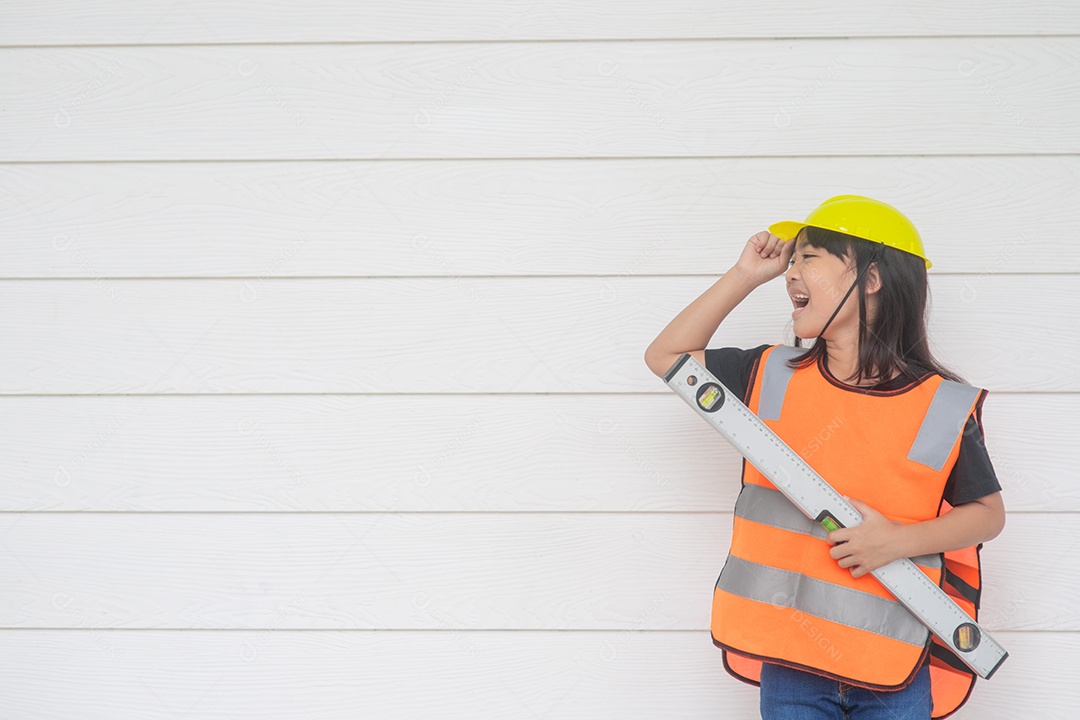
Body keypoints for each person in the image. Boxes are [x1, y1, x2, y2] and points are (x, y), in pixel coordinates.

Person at [643, 195, 1006, 719]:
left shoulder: (941, 404)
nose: (790, 271)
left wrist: (897, 542)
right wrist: (744, 275)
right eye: (791, 260)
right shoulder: (769, 373)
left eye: (808, 257)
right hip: (790, 660)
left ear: (872, 278)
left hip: (893, 662)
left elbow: (987, 516)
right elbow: (667, 358)